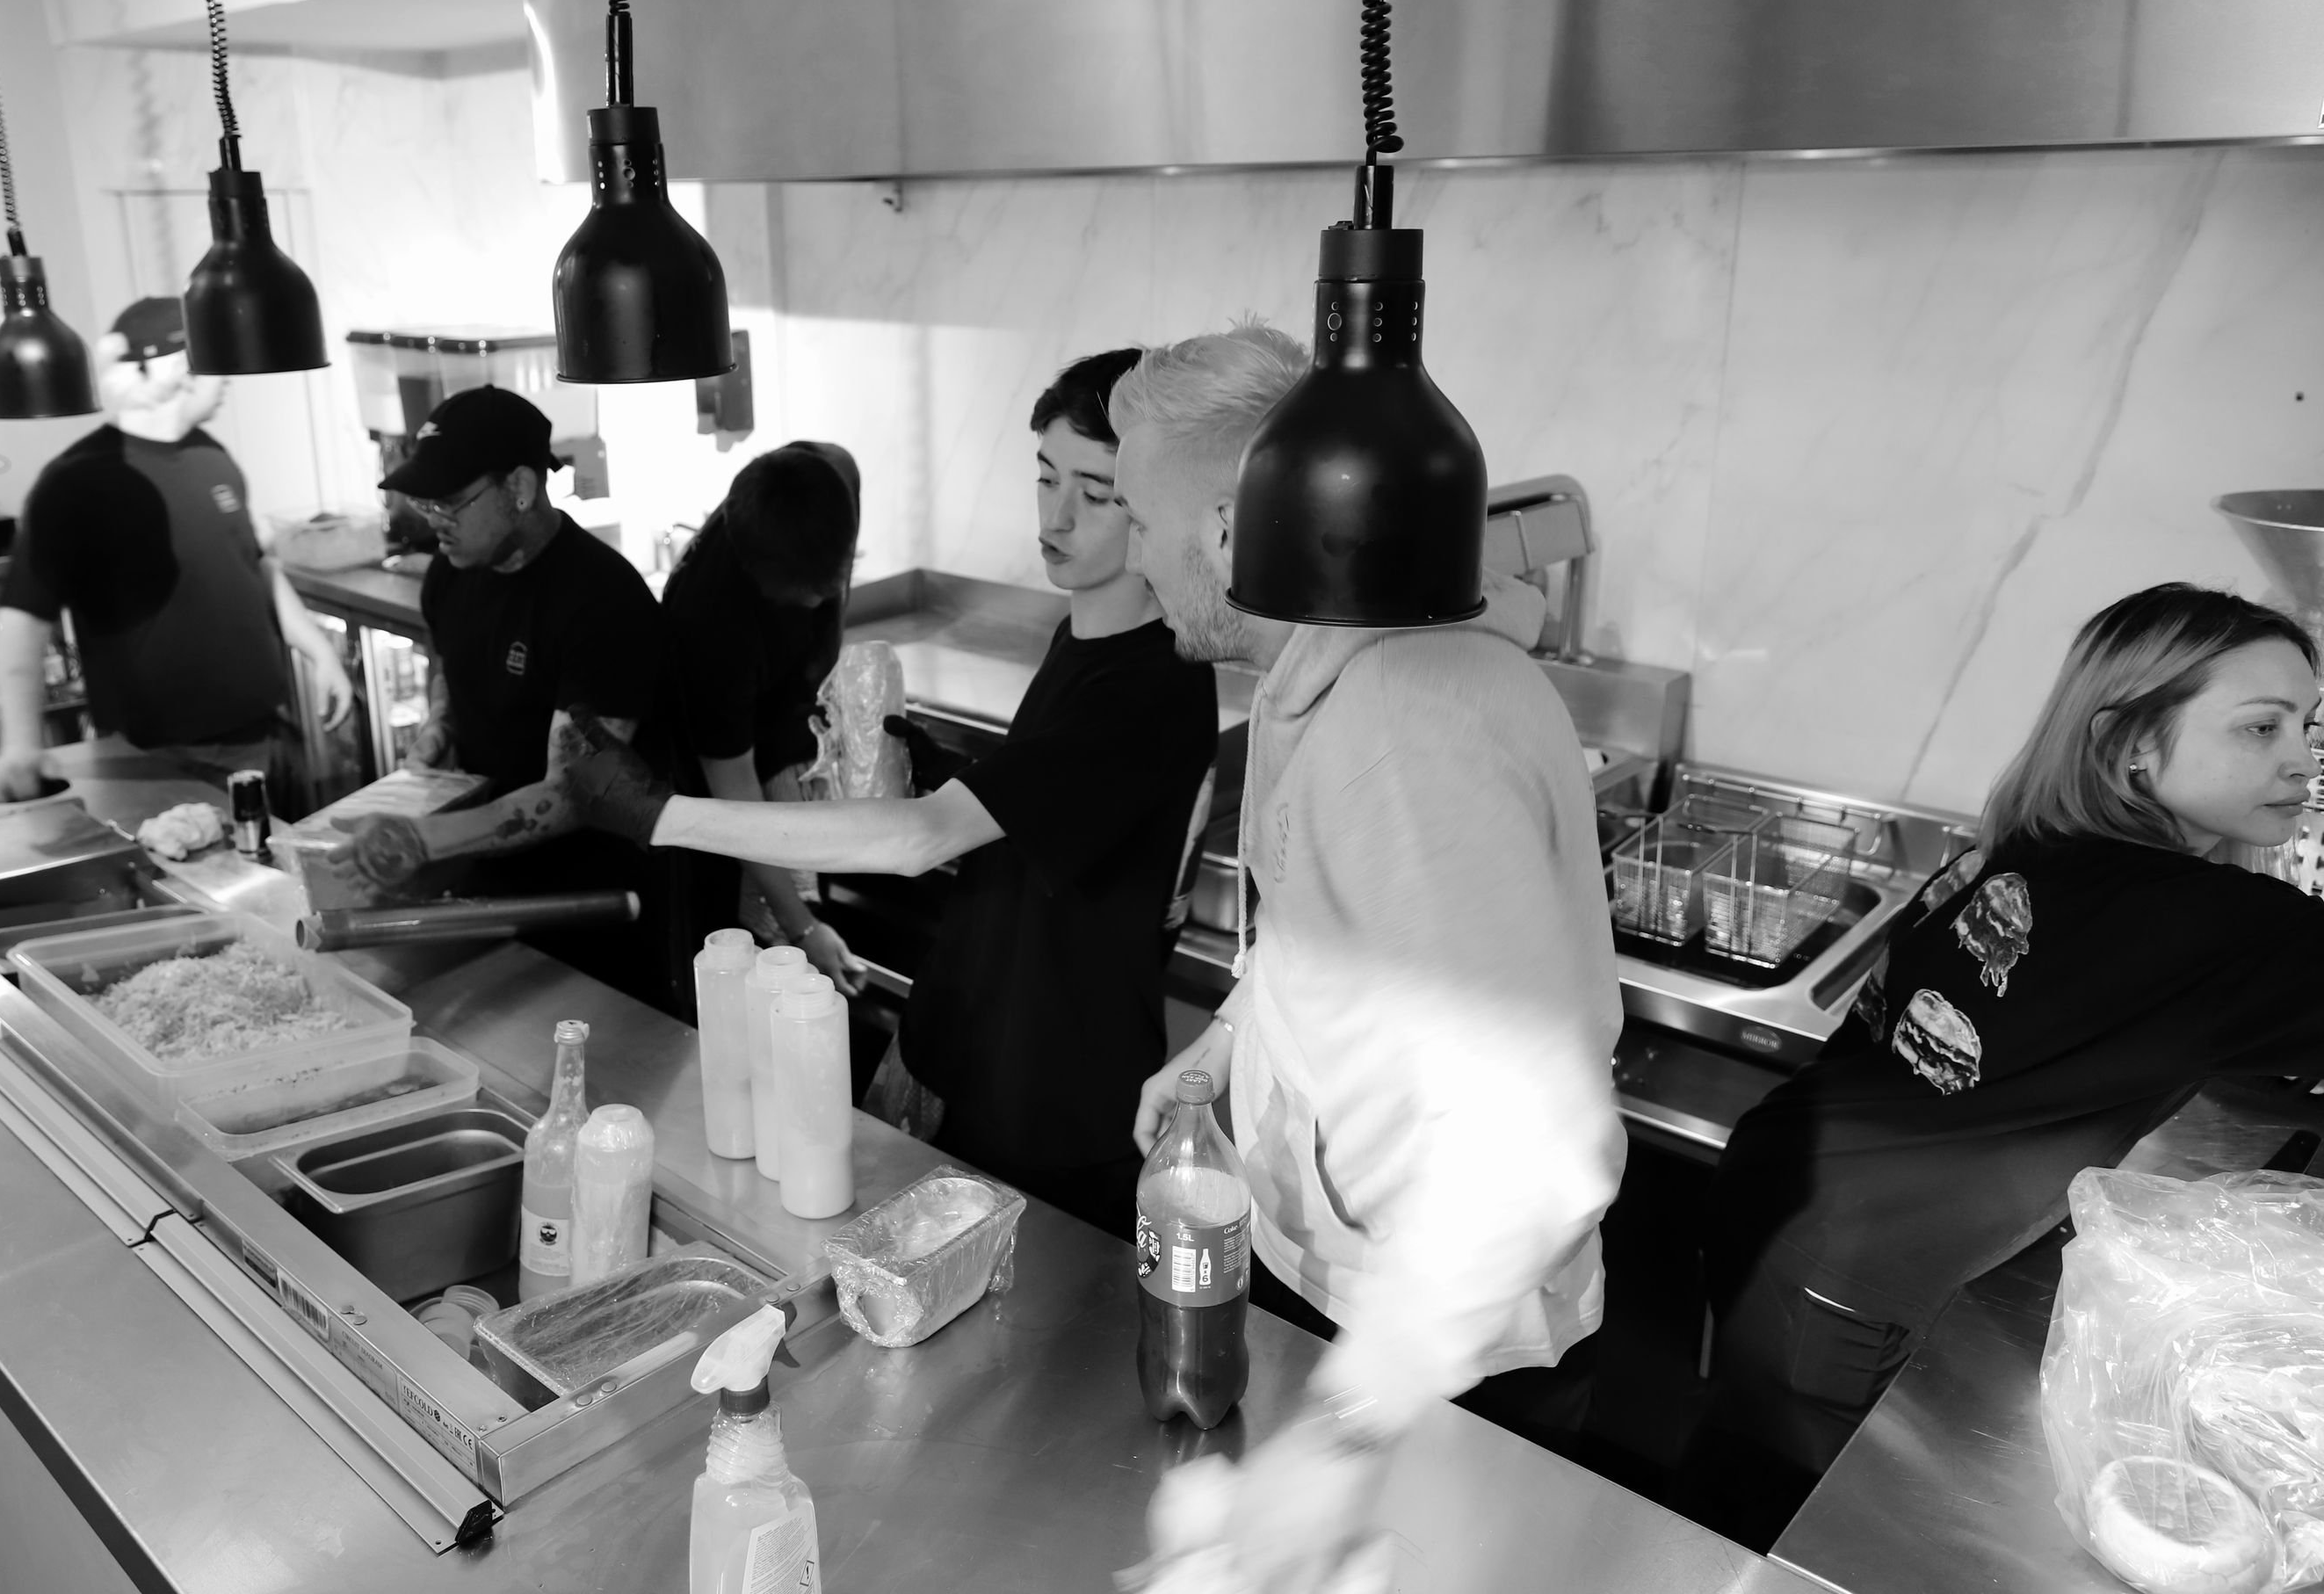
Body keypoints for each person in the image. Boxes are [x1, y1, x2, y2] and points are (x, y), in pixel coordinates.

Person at [1113, 323, 1626, 1592]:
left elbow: (1536, 1152)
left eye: (1133, 515)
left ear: (1234, 534)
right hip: (1364, 1314)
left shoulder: (1401, 735)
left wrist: (1345, 1433)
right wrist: (1222, 1052)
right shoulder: (1321, 679)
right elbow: (1318, 930)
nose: (1128, 555)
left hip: (1444, 1358)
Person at [1690, 583, 2324, 1548]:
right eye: (2260, 727)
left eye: (2310, 725)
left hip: (1779, 1185)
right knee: (1817, 1540)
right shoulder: (2217, 926)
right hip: (1851, 1275)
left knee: (1739, 1488)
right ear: (2133, 746)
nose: (2303, 760)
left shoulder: (2041, 837)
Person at [543, 351, 1219, 1238]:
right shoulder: (1085, 634)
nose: (1055, 515)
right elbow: (1031, 856)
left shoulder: (1151, 685)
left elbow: (921, 839)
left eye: (1094, 494)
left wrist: (657, 813)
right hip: (991, 1081)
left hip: (1060, 1114)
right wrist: (928, 1039)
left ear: (1152, 503)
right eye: (1046, 477)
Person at [333, 386, 667, 1003]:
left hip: (589, 906)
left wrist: (420, 839)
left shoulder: (599, 602)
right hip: (486, 884)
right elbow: (449, 664)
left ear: (520, 487)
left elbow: (575, 793)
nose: (434, 522)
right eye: (424, 503)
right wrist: (443, 723)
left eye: (450, 503)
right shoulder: (451, 571)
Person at [0, 297, 352, 805]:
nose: (227, 380)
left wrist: (318, 650)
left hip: (266, 734)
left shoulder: (212, 455)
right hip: (165, 758)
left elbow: (258, 567)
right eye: (215, 365)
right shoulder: (77, 481)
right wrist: (19, 745)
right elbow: (22, 618)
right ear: (175, 370)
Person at [651, 440, 867, 996]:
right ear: (755, 574)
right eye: (804, 592)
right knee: (762, 953)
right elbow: (736, 799)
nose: (825, 599)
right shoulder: (709, 628)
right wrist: (805, 927)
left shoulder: (828, 479)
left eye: (836, 575)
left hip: (785, 716)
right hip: (716, 780)